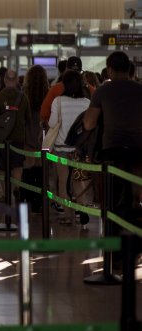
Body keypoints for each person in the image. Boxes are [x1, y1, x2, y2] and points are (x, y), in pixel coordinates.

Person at [84, 51, 142, 263]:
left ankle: (115, 255)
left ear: (109, 69)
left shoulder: (103, 91)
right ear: (129, 69)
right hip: (137, 153)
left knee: (112, 202)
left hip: (112, 152)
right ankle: (134, 249)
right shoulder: (139, 90)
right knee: (134, 200)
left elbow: (89, 123)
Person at [48, 70, 91, 224]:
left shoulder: (58, 101)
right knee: (78, 181)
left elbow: (52, 124)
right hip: (79, 150)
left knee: (62, 182)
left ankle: (68, 216)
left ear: (64, 84)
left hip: (61, 148)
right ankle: (83, 208)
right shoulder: (86, 102)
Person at [0, 70, 32, 200]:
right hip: (18, 137)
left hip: (2, 138)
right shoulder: (23, 98)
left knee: (3, 167)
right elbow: (28, 118)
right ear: (18, 80)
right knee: (18, 165)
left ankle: (5, 193)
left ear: (5, 80)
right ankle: (16, 188)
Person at [40, 56, 95, 123]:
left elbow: (44, 113)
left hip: (61, 131)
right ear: (81, 72)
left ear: (66, 70)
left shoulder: (55, 89)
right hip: (82, 131)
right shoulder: (91, 90)